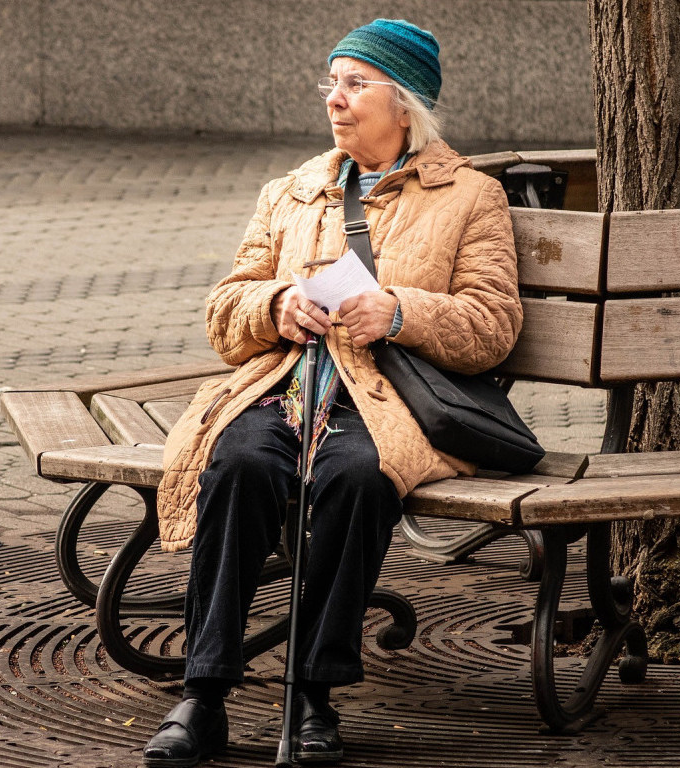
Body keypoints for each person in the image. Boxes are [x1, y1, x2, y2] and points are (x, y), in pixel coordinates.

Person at [143, 18, 522, 767]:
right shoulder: (293, 191)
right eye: (331, 82)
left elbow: (493, 325)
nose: (335, 99)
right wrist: (276, 306)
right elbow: (226, 309)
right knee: (239, 464)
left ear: (404, 105)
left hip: (384, 400)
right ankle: (204, 692)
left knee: (359, 478)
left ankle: (313, 692)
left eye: (355, 84)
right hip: (283, 384)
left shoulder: (471, 197)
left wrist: (401, 313)